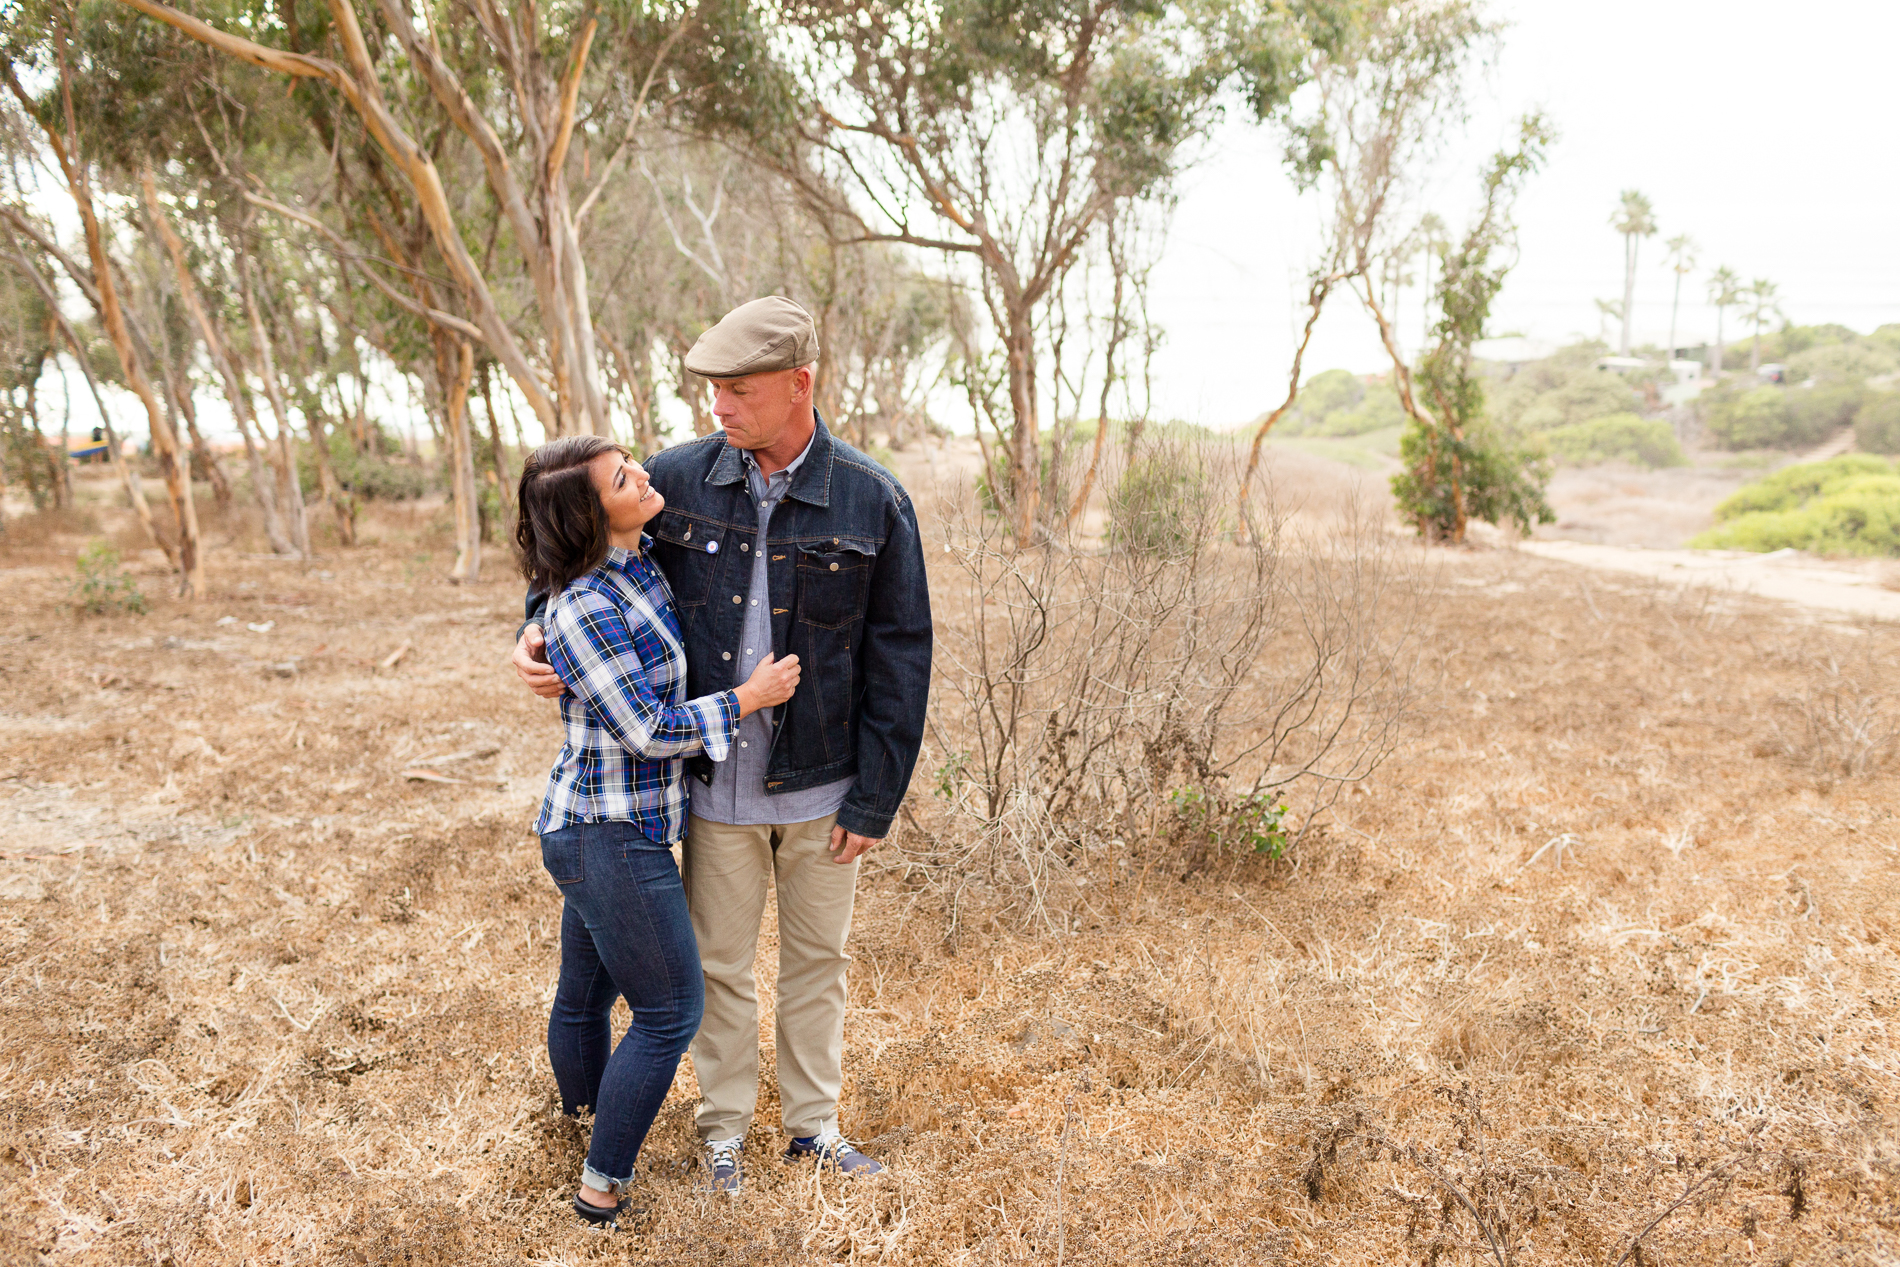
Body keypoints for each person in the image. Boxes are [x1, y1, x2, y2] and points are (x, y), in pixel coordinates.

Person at [512, 296, 932, 1193]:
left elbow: (902, 652)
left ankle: (814, 1126)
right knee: (720, 968)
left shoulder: (873, 496)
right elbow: (574, 556)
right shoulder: (677, 480)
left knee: (820, 961)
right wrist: (531, 635)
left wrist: (878, 795)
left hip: (826, 784)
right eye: (711, 391)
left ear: (799, 384)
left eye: (739, 391)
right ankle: (724, 1136)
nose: (719, 408)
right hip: (707, 784)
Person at [516, 434, 801, 1227]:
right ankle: (600, 1187)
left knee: (584, 995)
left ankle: (581, 1134)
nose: (644, 477)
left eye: (633, 463)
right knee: (673, 1006)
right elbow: (645, 728)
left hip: (609, 826)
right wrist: (748, 697)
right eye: (621, 478)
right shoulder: (584, 605)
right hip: (609, 833)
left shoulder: (639, 564)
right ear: (588, 513)